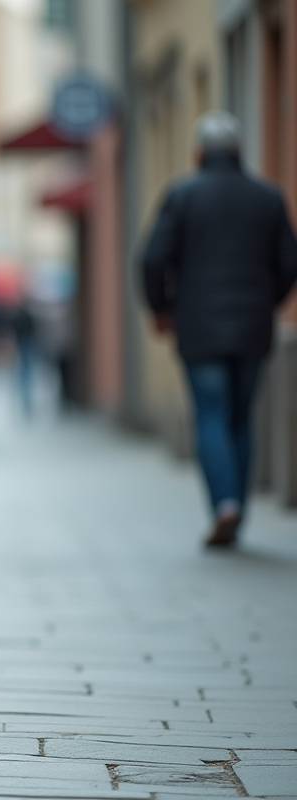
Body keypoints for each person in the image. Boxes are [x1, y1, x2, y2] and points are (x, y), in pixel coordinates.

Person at [141, 110, 297, 548]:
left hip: (199, 327)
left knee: (210, 413)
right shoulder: (268, 197)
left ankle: (224, 504)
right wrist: (268, 301)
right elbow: (290, 262)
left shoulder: (182, 195)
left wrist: (162, 307)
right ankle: (238, 511)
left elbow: (152, 258)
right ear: (241, 150)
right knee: (239, 416)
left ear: (198, 152)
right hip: (252, 326)